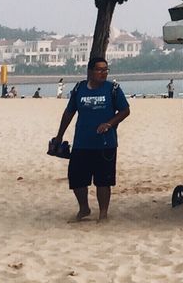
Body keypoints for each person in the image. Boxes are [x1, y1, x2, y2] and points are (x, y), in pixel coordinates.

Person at [54, 58, 131, 222]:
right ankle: (84, 208)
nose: (103, 73)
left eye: (106, 70)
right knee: (76, 178)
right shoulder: (79, 88)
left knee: (103, 181)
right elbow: (69, 113)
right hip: (82, 142)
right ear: (90, 71)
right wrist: (59, 135)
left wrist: (109, 124)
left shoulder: (113, 89)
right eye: (99, 70)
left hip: (105, 143)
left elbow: (125, 110)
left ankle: (103, 213)